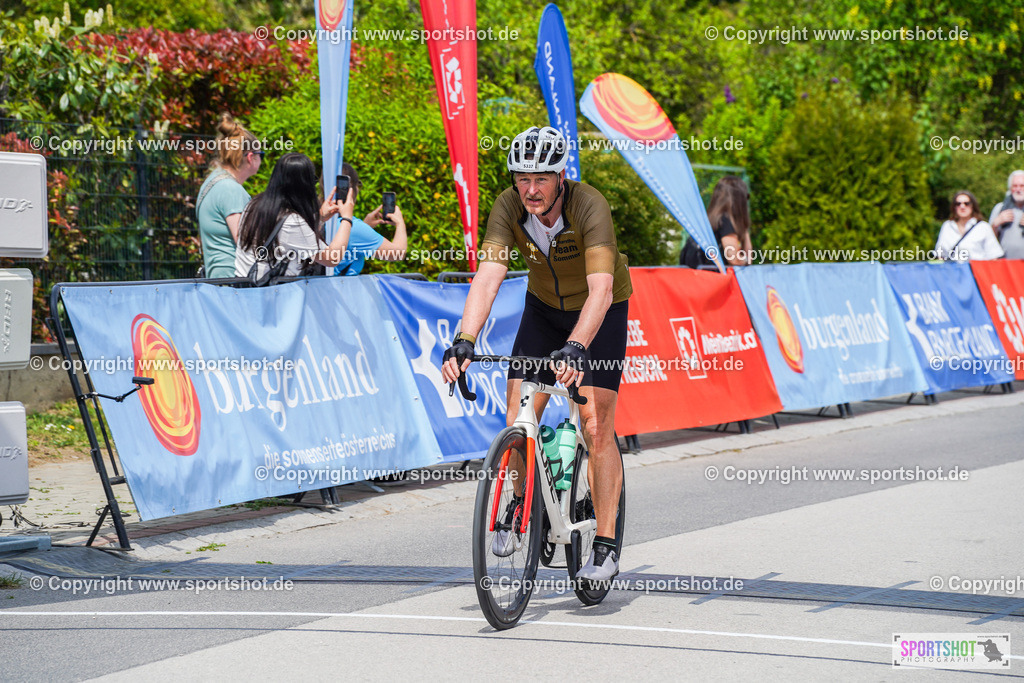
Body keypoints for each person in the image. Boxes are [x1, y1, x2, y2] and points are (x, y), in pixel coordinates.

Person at [440, 126, 632, 582]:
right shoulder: (509, 206)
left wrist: (577, 346)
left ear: (560, 176)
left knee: (595, 425)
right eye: (522, 179)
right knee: (518, 415)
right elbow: (489, 275)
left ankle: (605, 546)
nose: (530, 189)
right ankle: (521, 504)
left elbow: (601, 290)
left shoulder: (590, 205)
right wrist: (465, 338)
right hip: (544, 310)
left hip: (599, 312)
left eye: (541, 179)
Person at [234, 153, 355, 278]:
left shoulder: (254, 204)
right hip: (270, 293)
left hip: (244, 290)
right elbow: (332, 258)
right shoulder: (292, 222)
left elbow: (284, 235)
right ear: (304, 186)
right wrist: (347, 218)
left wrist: (320, 217)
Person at [197, 113, 263, 277]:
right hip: (234, 283)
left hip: (219, 280)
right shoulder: (231, 190)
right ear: (250, 157)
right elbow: (246, 244)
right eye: (261, 154)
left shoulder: (211, 182)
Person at [332, 162, 409, 275]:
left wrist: (366, 225)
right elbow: (397, 254)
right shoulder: (354, 228)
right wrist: (400, 223)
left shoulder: (317, 217)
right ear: (351, 189)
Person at [679, 175, 752, 268]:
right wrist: (746, 259)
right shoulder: (725, 220)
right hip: (711, 278)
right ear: (739, 199)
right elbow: (735, 259)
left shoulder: (710, 219)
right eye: (746, 197)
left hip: (694, 275)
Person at [935, 191, 1003, 261]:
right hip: (952, 270)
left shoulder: (983, 227)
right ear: (954, 207)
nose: (962, 206)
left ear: (972, 206)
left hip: (976, 269)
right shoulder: (947, 226)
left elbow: (993, 256)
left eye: (966, 203)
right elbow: (940, 254)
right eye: (958, 204)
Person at [989, 170, 1024, 259]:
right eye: (1015, 186)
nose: (1018, 189)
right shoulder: (1000, 208)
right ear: (1010, 189)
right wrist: (995, 224)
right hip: (1005, 266)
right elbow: (988, 240)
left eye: (1022, 186)